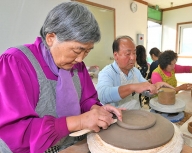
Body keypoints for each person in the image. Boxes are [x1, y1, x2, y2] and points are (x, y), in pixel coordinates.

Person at [0, 2, 122, 153]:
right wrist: (80, 121)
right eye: (77, 50)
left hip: (68, 145)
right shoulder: (17, 63)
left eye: (87, 52)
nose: (80, 59)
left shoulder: (77, 66)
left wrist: (97, 110)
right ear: (51, 38)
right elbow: (17, 131)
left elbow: (85, 100)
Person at [96, 36, 173, 109]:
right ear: (116, 55)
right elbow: (103, 95)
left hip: (136, 114)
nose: (133, 58)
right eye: (128, 54)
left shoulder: (135, 71)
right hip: (116, 118)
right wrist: (132, 87)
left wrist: (155, 87)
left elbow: (145, 90)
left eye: (134, 53)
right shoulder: (107, 72)